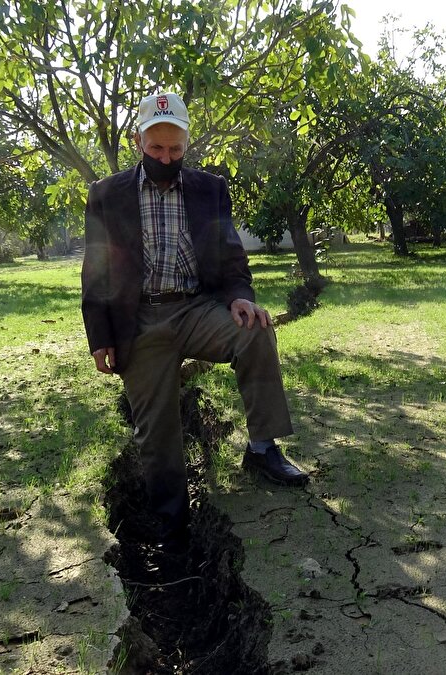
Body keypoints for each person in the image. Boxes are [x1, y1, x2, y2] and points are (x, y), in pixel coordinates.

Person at [81, 91, 308, 537]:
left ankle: (262, 448)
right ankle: (173, 524)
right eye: (156, 149)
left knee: (256, 331)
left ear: (187, 144)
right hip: (140, 321)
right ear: (137, 141)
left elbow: (231, 257)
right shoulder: (107, 195)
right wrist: (100, 336)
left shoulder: (210, 189)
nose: (166, 158)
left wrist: (239, 296)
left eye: (175, 149)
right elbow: (95, 272)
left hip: (196, 308)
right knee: (157, 432)